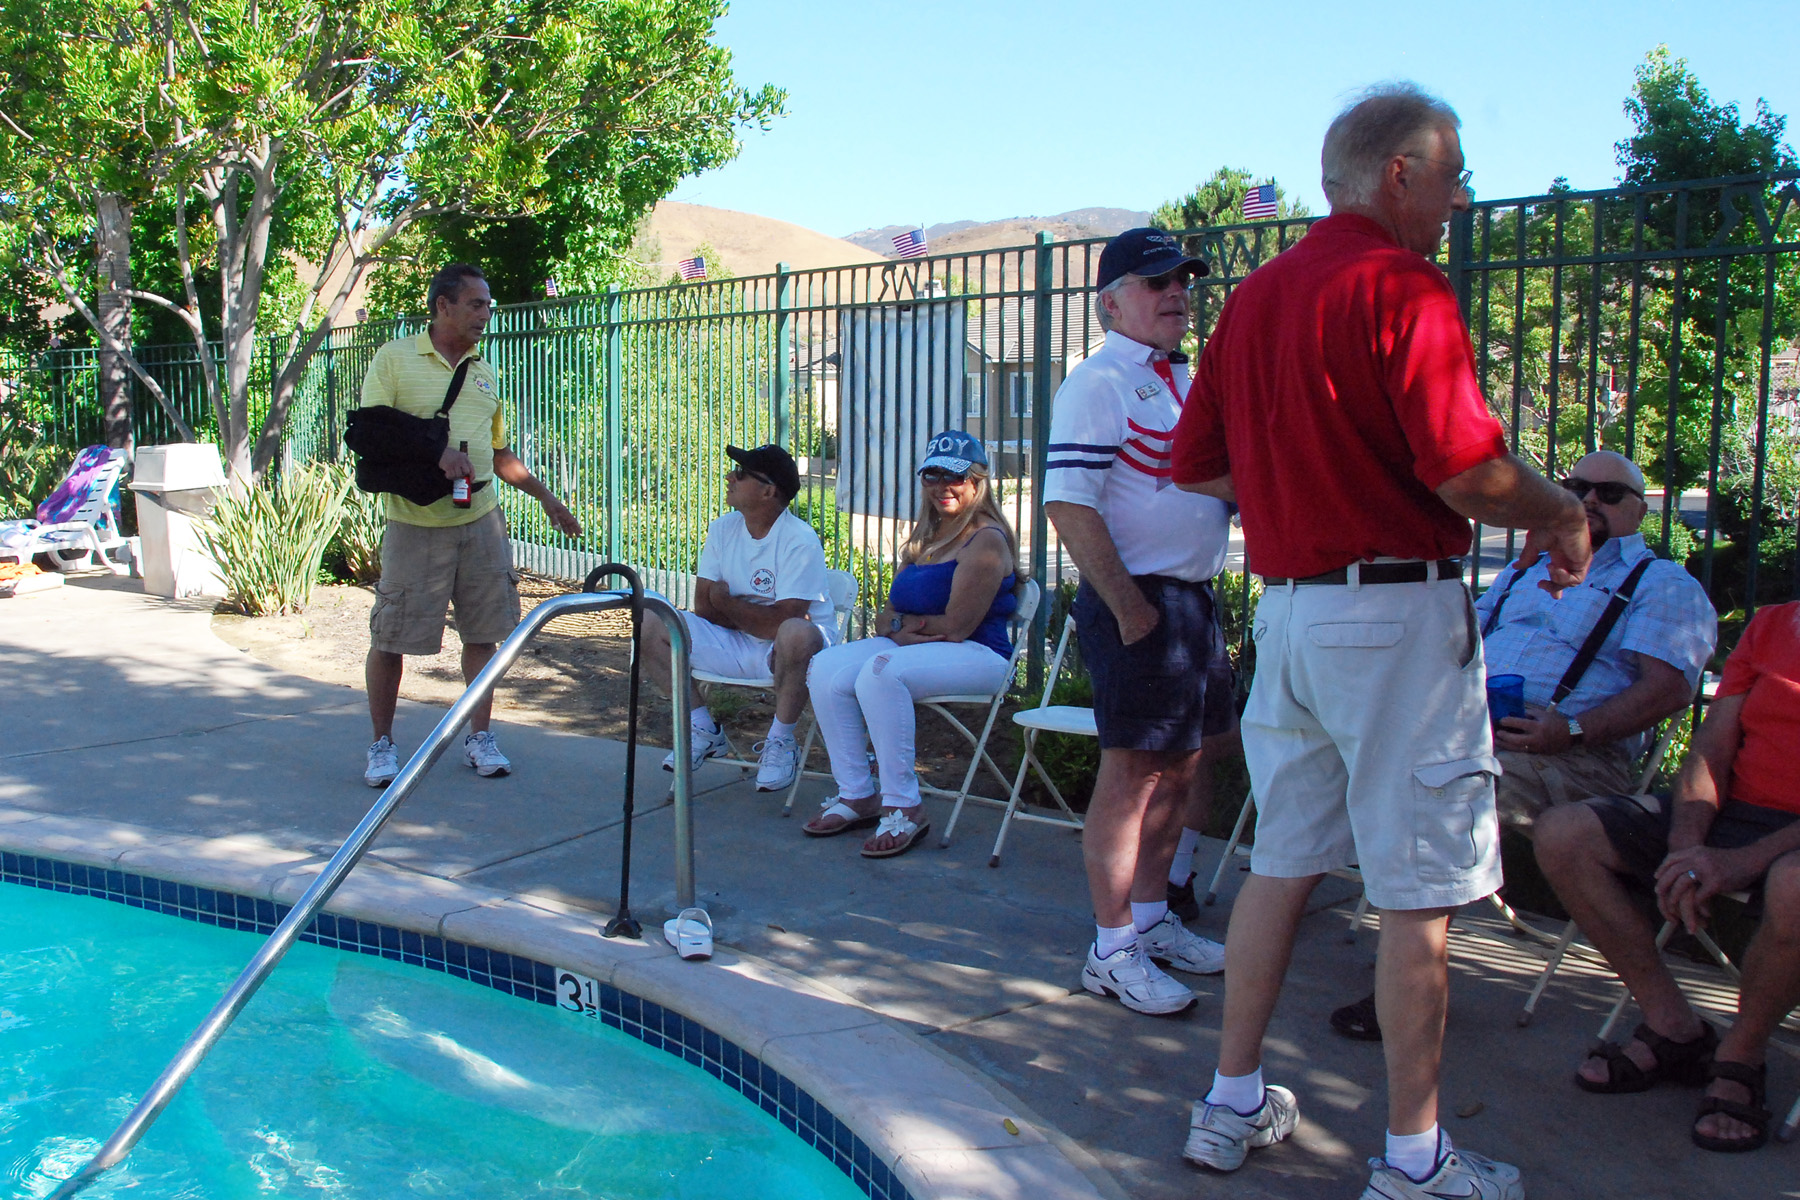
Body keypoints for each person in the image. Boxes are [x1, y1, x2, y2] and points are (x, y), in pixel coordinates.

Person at [1169, 84, 1592, 1198]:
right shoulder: (1401, 284)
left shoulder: (1258, 299)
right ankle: (1413, 1161)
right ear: (1399, 173)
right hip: (1397, 617)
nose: (1458, 201)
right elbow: (1465, 471)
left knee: (1279, 862)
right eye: (1452, 177)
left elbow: (1198, 465)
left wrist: (1302, 490)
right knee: (1418, 893)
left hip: (1293, 614)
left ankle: (1230, 1100)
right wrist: (1559, 513)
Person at [1328, 448, 1718, 1041]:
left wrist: (1573, 729)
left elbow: (1667, 689)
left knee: (1452, 791)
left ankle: (1408, 985)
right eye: (1577, 486)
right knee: (1357, 754)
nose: (1589, 500)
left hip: (1575, 755)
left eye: (1609, 494)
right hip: (1470, 730)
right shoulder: (1523, 571)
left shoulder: (1660, 583)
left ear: (1640, 511)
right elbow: (1455, 642)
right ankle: (1394, 954)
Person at [1043, 226, 1236, 1018]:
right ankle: (1112, 948)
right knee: (1133, 775)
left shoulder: (1185, 380)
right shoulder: (1098, 382)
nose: (1175, 293)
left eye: (1182, 279)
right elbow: (1067, 503)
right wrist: (1129, 606)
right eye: (1156, 282)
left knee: (1184, 768)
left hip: (1191, 601)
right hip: (1140, 599)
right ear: (1111, 302)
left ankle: (1153, 921)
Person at [1535, 600, 1800, 1154]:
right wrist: (1687, 844)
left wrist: (1741, 861)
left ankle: (1741, 1054)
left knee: (1792, 886)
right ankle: (1673, 1026)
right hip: (1735, 812)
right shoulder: (1775, 623)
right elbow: (1713, 745)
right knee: (1564, 835)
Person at [362, 263, 582, 788]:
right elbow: (370, 434)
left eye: (488, 305)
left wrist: (547, 498)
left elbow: (499, 452)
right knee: (391, 637)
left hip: (482, 519)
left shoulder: (486, 371)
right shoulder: (395, 358)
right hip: (414, 523)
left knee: (486, 635)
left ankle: (479, 737)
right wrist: (437, 453)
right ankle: (381, 746)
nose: (486, 314)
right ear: (444, 306)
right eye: (476, 304)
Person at [799, 430, 1021, 857]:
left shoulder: (986, 539)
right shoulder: (926, 538)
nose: (941, 487)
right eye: (931, 476)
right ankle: (857, 794)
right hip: (917, 647)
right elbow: (886, 615)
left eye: (953, 476)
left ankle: (904, 805)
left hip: (980, 655)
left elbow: (956, 627)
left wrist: (899, 629)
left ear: (977, 481)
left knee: (881, 671)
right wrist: (905, 628)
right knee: (825, 667)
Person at [639, 443, 835, 791]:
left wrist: (728, 603)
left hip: (791, 657)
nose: (730, 476)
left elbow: (782, 623)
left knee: (796, 633)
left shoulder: (799, 540)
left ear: (768, 491)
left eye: (741, 473)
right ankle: (701, 728)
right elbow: (704, 608)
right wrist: (742, 612)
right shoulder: (723, 529)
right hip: (736, 640)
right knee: (651, 620)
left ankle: (780, 741)